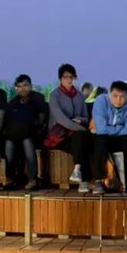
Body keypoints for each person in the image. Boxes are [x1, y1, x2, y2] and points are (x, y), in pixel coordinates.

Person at [45, 63, 91, 193]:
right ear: (60, 78)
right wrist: (79, 127)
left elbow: (86, 117)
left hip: (75, 134)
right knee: (83, 143)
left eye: (71, 77)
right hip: (59, 135)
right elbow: (60, 119)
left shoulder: (80, 96)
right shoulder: (55, 95)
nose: (69, 79)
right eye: (65, 77)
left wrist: (80, 120)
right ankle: (85, 181)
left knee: (81, 142)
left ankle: (78, 170)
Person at [92, 81, 127, 194]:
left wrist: (113, 128)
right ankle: (99, 180)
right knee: (101, 141)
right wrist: (119, 127)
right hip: (103, 137)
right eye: (115, 96)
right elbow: (101, 129)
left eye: (122, 96)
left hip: (122, 137)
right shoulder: (100, 101)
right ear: (109, 94)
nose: (118, 100)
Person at [3, 74, 47, 190]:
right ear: (16, 88)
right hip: (15, 134)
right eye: (20, 86)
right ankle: (10, 179)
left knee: (27, 141)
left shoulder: (38, 98)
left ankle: (33, 179)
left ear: (31, 86)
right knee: (8, 143)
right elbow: (7, 122)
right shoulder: (12, 103)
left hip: (34, 133)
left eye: (25, 85)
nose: (23, 88)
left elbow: (42, 118)